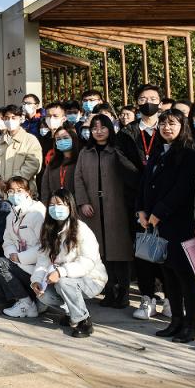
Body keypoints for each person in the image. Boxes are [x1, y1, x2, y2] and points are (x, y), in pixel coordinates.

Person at [137, 108, 195, 342]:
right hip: (156, 223)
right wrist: (141, 210)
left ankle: (190, 325)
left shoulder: (189, 155)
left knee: (184, 275)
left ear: (183, 127)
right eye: (162, 124)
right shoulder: (157, 152)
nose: (167, 128)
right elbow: (145, 184)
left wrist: (158, 213)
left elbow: (182, 189)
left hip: (179, 223)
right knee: (168, 274)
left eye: (172, 123)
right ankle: (176, 321)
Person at [73, 113, 138, 310]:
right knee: (100, 253)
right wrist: (83, 202)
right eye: (94, 128)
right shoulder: (85, 152)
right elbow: (78, 178)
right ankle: (108, 291)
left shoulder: (117, 150)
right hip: (92, 208)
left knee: (120, 253)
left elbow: (131, 174)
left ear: (110, 129)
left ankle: (123, 294)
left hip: (117, 208)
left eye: (103, 127)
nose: (98, 131)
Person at [30, 188, 109, 338]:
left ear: (69, 206)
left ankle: (83, 321)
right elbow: (43, 259)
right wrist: (37, 280)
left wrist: (61, 272)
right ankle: (70, 312)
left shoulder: (81, 229)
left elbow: (88, 261)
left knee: (64, 282)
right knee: (43, 295)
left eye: (59, 204)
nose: (55, 208)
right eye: (51, 205)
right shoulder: (49, 230)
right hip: (63, 279)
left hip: (91, 279)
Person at [0, 176, 47, 318]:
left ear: (28, 192)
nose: (14, 194)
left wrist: (21, 257)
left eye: (19, 190)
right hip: (18, 263)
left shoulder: (37, 213)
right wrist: (13, 255)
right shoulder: (11, 214)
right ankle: (35, 299)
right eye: (11, 191)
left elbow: (45, 247)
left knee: (0, 264)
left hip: (37, 268)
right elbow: (7, 241)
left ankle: (26, 304)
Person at [0, 105, 43, 194]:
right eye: (6, 118)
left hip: (24, 192)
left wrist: (13, 183)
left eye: (13, 118)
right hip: (3, 193)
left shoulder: (30, 140)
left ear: (20, 119)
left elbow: (33, 165)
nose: (10, 121)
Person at [40, 125, 78, 204]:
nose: (62, 141)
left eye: (65, 138)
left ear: (73, 138)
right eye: (58, 139)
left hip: (76, 205)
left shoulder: (80, 160)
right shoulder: (52, 163)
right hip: (55, 205)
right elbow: (45, 187)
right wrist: (46, 204)